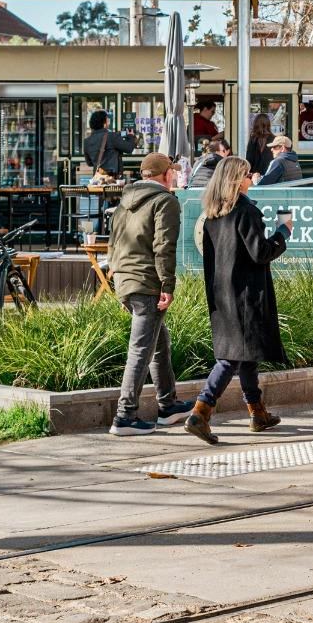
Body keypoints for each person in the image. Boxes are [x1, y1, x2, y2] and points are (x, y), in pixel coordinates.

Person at [186, 156, 291, 445]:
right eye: (247, 175)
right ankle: (200, 411)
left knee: (245, 352)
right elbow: (261, 253)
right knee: (232, 356)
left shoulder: (213, 214)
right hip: (245, 294)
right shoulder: (246, 211)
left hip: (222, 292)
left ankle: (258, 412)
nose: (251, 178)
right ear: (237, 179)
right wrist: (283, 232)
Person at [106, 152, 192, 437]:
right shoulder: (165, 201)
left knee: (158, 342)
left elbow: (113, 245)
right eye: (173, 172)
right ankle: (124, 415)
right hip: (147, 282)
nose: (175, 177)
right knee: (141, 348)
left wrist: (120, 286)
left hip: (126, 280)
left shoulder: (124, 203)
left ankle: (168, 405)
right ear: (165, 175)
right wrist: (167, 285)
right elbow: (164, 246)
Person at [83, 110, 139, 182]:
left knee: (100, 193)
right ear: (104, 123)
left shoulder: (87, 141)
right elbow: (129, 148)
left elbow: (89, 163)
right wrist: (130, 136)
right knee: (113, 193)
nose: (108, 122)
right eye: (107, 120)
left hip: (98, 179)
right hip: (112, 179)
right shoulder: (111, 136)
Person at [244, 113, 275, 178]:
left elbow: (249, 159)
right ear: (268, 124)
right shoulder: (274, 139)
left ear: (256, 124)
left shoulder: (253, 139)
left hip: (254, 176)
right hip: (270, 175)